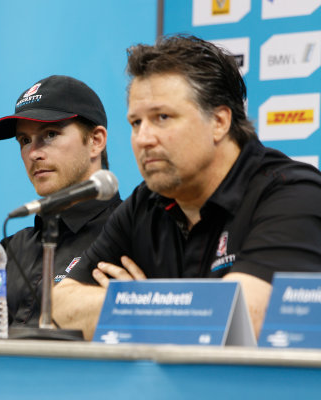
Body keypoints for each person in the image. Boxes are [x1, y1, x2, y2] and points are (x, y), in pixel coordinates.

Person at [52, 35, 321, 340]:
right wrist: (151, 308)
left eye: (162, 117)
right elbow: (60, 306)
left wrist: (143, 301)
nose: (143, 138)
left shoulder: (292, 193)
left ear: (219, 121)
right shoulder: (147, 201)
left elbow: (246, 324)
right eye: (136, 123)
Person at [0, 75, 121, 328]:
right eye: (24, 141)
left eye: (49, 134)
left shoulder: (131, 233)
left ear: (96, 141)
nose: (34, 153)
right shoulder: (10, 248)